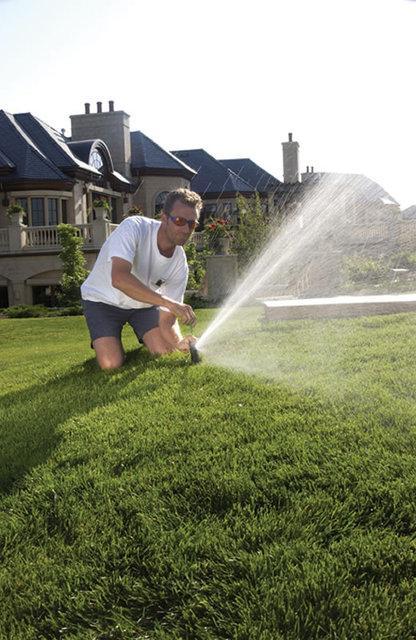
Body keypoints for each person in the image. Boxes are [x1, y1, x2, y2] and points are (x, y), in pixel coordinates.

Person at [81, 188, 203, 369]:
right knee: (111, 364)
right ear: (164, 218)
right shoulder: (134, 227)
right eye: (179, 221)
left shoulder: (179, 262)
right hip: (103, 300)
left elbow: (167, 319)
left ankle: (145, 337)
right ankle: (105, 343)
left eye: (192, 224)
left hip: (143, 306)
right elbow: (119, 279)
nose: (186, 229)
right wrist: (169, 303)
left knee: (165, 351)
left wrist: (178, 343)